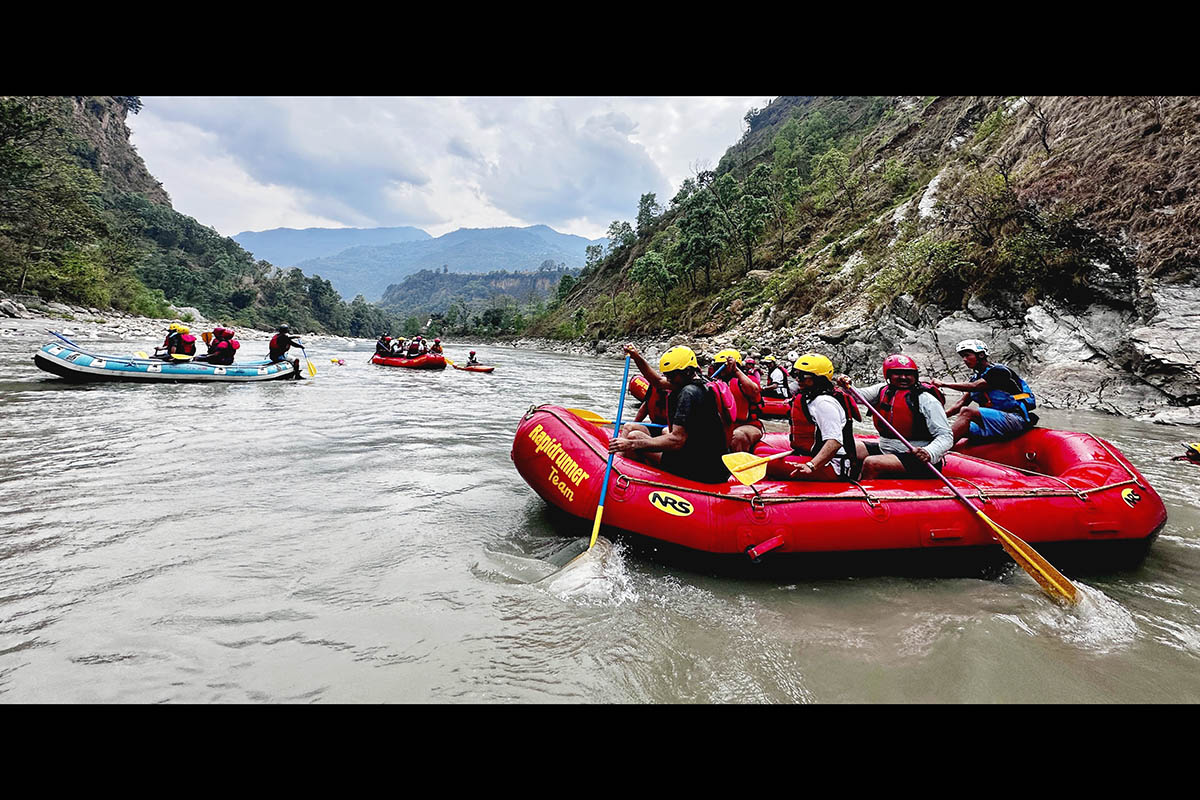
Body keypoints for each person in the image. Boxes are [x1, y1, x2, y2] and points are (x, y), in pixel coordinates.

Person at [608, 346, 732, 484]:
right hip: (710, 463)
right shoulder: (700, 382)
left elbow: (677, 440)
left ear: (687, 371)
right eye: (667, 375)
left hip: (700, 470)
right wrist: (636, 357)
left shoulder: (689, 393)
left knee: (634, 437)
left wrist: (631, 444)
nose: (668, 379)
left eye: (671, 375)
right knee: (634, 431)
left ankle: (620, 476)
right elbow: (657, 382)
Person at [837, 354, 954, 479]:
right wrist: (847, 386)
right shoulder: (882, 389)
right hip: (887, 449)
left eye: (908, 374)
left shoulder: (926, 399)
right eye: (897, 373)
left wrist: (929, 452)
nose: (903, 377)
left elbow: (946, 436)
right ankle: (847, 481)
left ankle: (864, 489)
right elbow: (857, 397)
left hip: (918, 457)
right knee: (847, 447)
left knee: (871, 463)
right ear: (888, 375)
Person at [767, 353, 866, 481]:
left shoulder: (824, 403)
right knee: (761, 451)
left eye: (802, 376)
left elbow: (835, 442)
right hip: (812, 456)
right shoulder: (810, 398)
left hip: (833, 465)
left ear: (819, 379)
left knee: (765, 464)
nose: (797, 379)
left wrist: (811, 465)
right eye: (796, 374)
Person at [934, 339, 1039, 443]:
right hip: (994, 421)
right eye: (962, 357)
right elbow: (960, 404)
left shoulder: (999, 372)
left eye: (967, 355)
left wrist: (943, 384)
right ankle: (938, 446)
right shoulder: (976, 378)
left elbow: (974, 386)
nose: (964, 359)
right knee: (954, 427)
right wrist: (938, 418)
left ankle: (941, 448)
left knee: (967, 412)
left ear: (981, 355)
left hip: (1015, 419)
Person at [710, 348, 764, 453]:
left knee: (737, 436)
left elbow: (755, 390)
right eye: (718, 366)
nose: (721, 370)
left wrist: (736, 371)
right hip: (726, 426)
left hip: (749, 425)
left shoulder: (746, 380)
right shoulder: (716, 383)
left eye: (723, 366)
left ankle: (737, 461)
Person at [619, 344, 672, 438]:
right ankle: (618, 446)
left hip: (671, 430)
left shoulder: (681, 389)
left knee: (666, 431)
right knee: (628, 426)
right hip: (655, 426)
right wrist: (635, 423)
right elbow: (646, 406)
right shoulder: (655, 385)